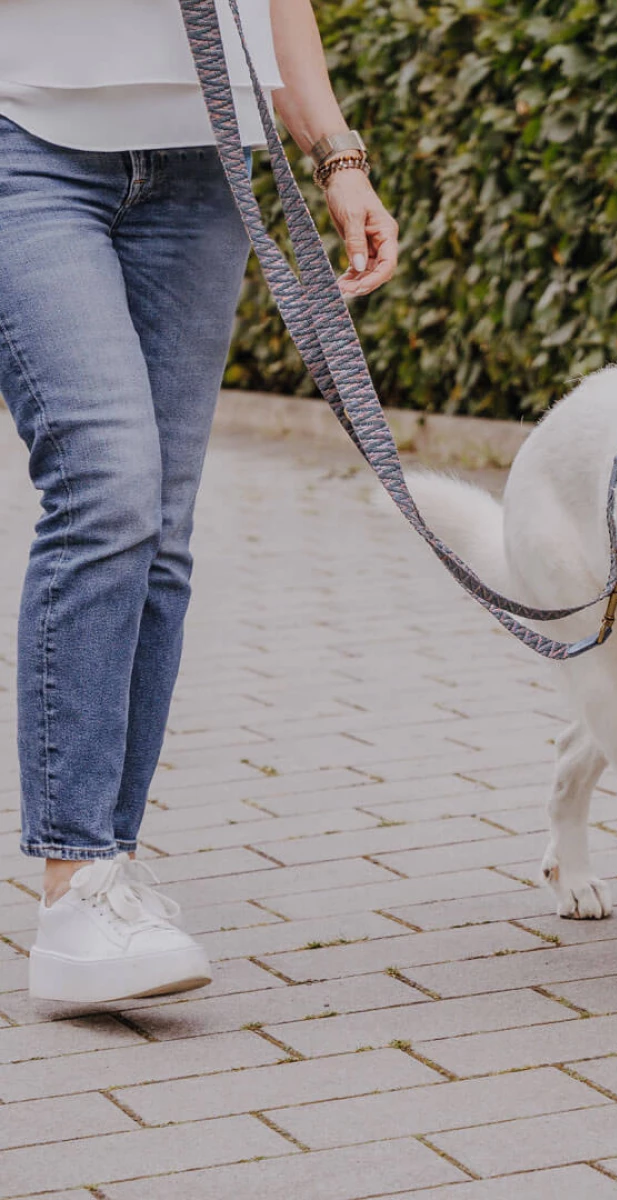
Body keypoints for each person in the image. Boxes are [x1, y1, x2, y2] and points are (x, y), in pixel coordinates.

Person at [0, 0, 399, 1003]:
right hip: (24, 141)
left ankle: (107, 873)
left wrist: (338, 155)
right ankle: (73, 888)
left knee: (161, 529)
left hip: (205, 160)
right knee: (106, 487)